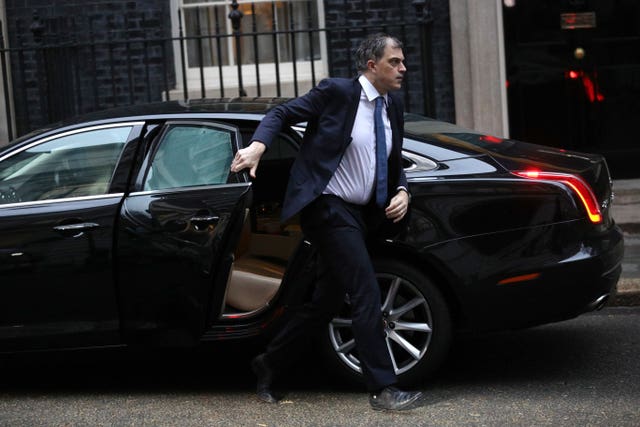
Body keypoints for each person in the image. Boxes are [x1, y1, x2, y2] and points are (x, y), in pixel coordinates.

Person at [230, 33, 422, 411]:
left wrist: (403, 190)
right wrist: (258, 146)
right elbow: (281, 114)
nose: (403, 68)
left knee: (326, 301)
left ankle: (268, 363)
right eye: (395, 62)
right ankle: (383, 389)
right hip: (329, 209)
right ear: (372, 66)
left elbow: (394, 160)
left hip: (363, 215)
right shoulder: (337, 93)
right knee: (366, 289)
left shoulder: (392, 106)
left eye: (402, 62)